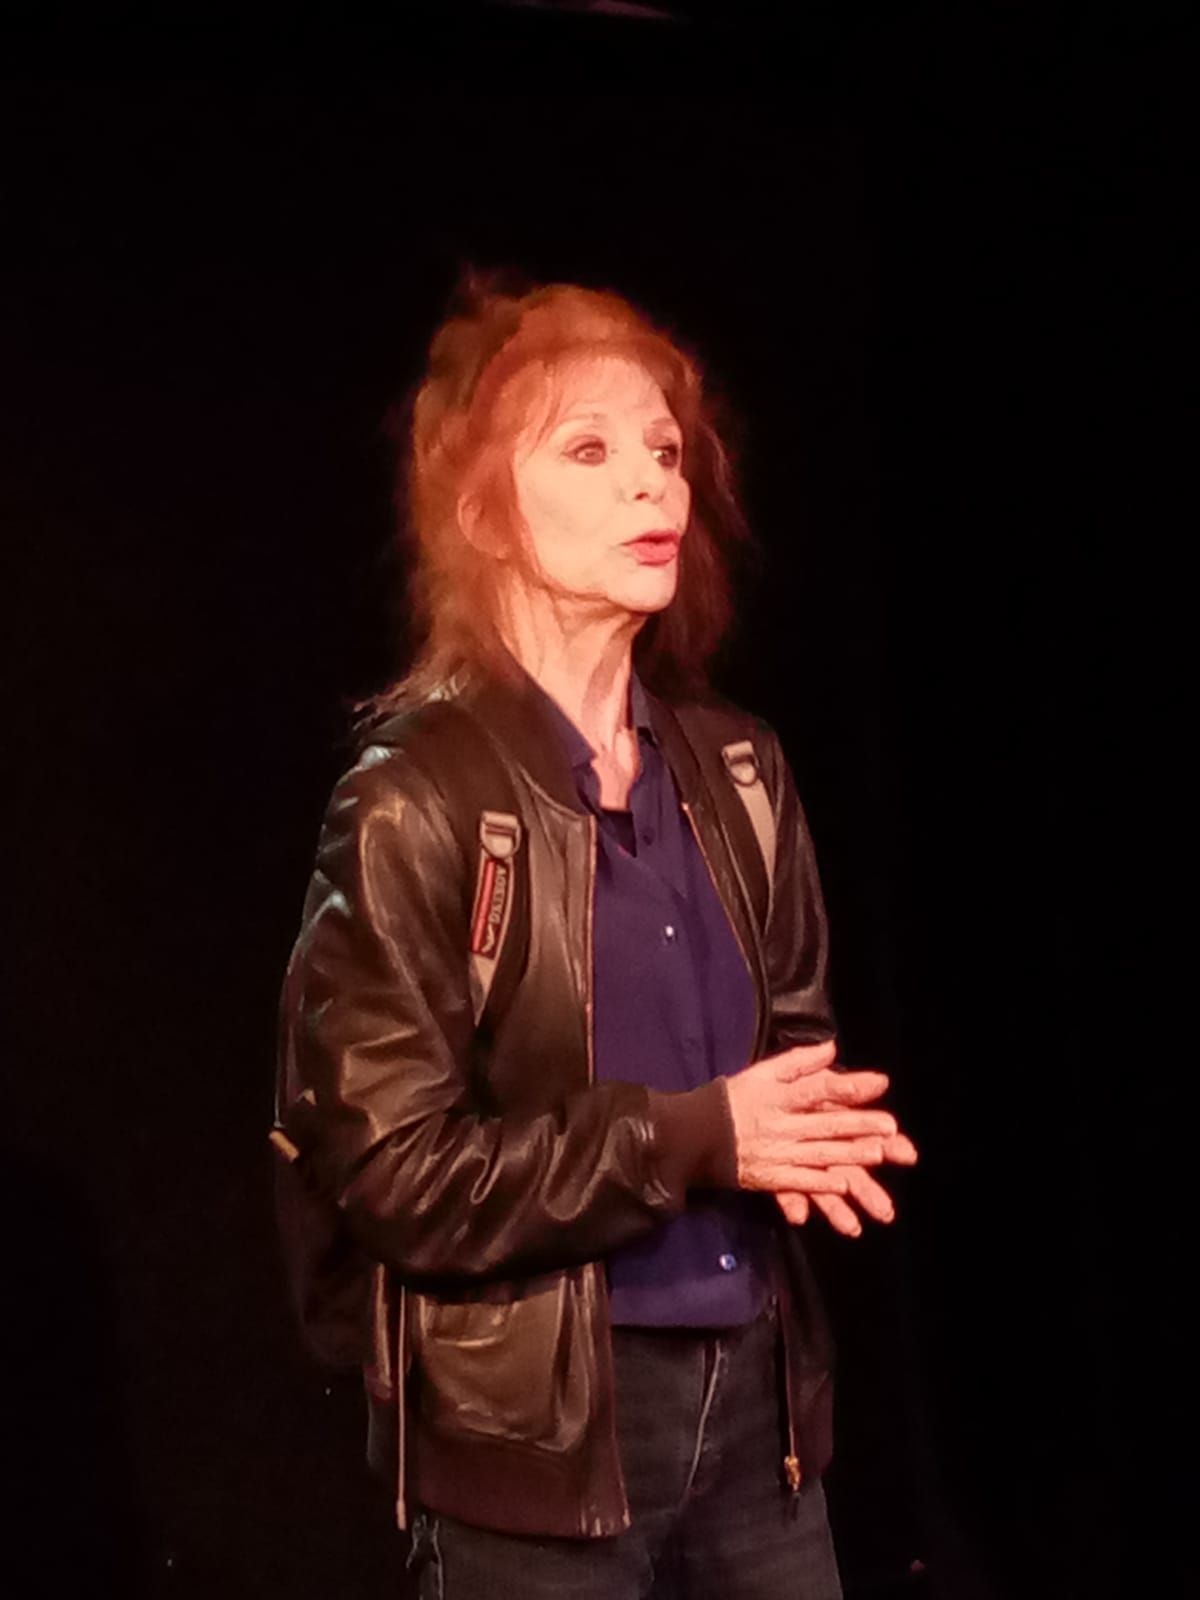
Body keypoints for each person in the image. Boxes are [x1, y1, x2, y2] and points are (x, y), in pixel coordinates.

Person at [275, 274, 917, 1599]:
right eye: (591, 450)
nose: (651, 485)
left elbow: (794, 1051)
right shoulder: (415, 797)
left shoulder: (741, 765)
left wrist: (818, 1133)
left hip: (758, 1422)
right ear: (481, 514)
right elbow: (392, 1174)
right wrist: (700, 1136)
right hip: (541, 1446)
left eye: (666, 453)